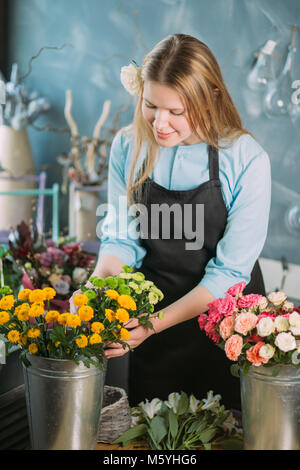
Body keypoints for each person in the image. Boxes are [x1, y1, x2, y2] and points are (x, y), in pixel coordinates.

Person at [80, 34, 271, 411]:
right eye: (151, 106)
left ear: (210, 97)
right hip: (155, 330)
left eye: (176, 112)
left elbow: (230, 272)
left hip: (228, 327)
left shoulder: (246, 158)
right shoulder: (128, 145)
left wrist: (152, 324)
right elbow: (122, 238)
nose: (160, 123)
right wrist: (94, 295)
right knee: (154, 429)